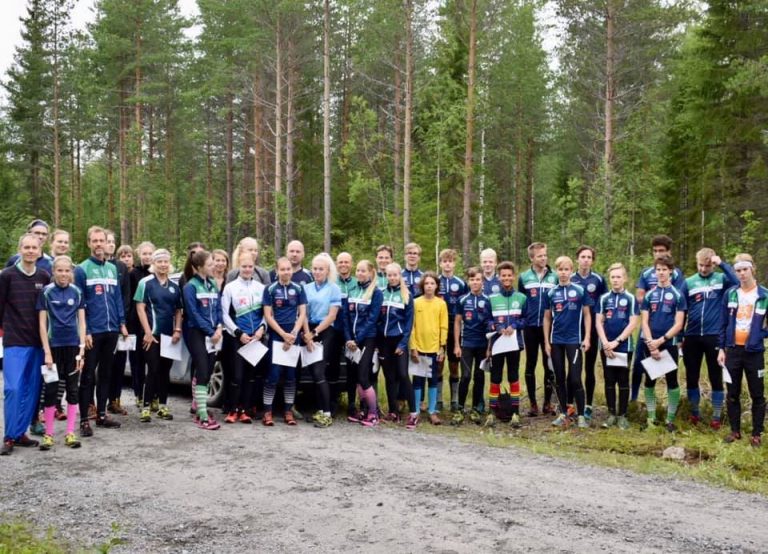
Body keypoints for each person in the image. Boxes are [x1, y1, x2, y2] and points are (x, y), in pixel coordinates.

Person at [75, 226, 128, 436]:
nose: (99, 244)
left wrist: (121, 322)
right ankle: (83, 420)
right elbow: (80, 303)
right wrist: (85, 330)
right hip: (92, 331)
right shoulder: (82, 269)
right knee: (88, 376)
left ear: (107, 243)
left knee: (106, 374)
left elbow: (117, 298)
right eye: (95, 241)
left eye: (102, 240)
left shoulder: (113, 269)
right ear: (89, 243)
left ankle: (102, 415)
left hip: (111, 329)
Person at [0, 233, 50, 455]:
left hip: (38, 343)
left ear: (39, 251)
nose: (30, 251)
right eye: (26, 247)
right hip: (14, 342)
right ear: (20, 249)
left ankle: (20, 433)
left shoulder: (44, 276)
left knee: (31, 390)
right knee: (13, 388)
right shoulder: (7, 276)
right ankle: (9, 436)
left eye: (34, 247)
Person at [680, 248, 737, 429]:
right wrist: (680, 335)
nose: (703, 269)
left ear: (713, 264)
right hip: (692, 335)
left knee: (715, 376)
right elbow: (681, 311)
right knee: (692, 375)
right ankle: (694, 413)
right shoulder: (689, 282)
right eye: (700, 265)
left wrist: (722, 264)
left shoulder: (722, 279)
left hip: (714, 335)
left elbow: (737, 282)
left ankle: (716, 416)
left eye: (707, 266)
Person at [718, 253, 767, 447]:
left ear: (752, 269)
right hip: (733, 350)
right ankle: (735, 431)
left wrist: (760, 335)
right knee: (732, 393)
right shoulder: (730, 294)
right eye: (738, 270)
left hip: (754, 352)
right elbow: (723, 324)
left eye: (745, 269)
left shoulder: (764, 295)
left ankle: (756, 433)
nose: (742, 273)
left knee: (757, 393)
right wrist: (721, 349)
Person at [37, 255, 85, 449]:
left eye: (67, 270)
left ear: (71, 272)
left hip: (73, 348)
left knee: (73, 390)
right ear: (54, 271)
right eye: (60, 270)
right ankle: (48, 434)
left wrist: (82, 350)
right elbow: (42, 324)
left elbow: (82, 322)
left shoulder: (77, 291)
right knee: (51, 390)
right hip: (54, 347)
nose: (63, 274)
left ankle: (70, 433)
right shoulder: (46, 292)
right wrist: (47, 351)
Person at [631, 235, 686, 401]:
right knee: (639, 364)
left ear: (669, 252)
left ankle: (671, 408)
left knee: (669, 371)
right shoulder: (646, 272)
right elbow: (640, 296)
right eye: (655, 251)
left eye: (661, 250)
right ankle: (634, 399)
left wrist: (679, 335)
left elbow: (678, 301)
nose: (657, 254)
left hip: (669, 329)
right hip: (648, 326)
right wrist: (653, 297)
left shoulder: (676, 274)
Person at [543, 256, 593, 429]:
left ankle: (581, 415)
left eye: (566, 269)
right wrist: (546, 342)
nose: (563, 273)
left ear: (571, 271)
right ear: (556, 271)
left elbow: (587, 315)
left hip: (574, 340)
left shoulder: (580, 290)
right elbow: (547, 318)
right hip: (556, 340)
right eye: (560, 269)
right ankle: (563, 414)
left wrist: (587, 337)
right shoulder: (551, 292)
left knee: (575, 379)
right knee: (559, 378)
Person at [135, 249, 182, 423]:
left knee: (165, 371)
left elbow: (178, 310)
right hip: (152, 335)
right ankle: (146, 407)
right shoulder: (145, 283)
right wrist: (147, 332)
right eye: (159, 261)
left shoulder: (174, 287)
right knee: (153, 369)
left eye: (165, 261)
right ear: (154, 263)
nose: (163, 265)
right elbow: (140, 308)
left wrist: (177, 330)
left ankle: (163, 406)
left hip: (169, 336)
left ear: (169, 263)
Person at [639, 255, 686, 431]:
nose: (661, 273)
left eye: (664, 270)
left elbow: (679, 324)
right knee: (650, 381)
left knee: (671, 381)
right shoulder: (649, 295)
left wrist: (661, 341)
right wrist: (651, 343)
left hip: (669, 343)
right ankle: (651, 418)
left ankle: (670, 419)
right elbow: (644, 321)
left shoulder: (678, 295)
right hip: (650, 343)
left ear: (670, 271)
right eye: (658, 270)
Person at [221, 252, 267, 425]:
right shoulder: (230, 287)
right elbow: (224, 314)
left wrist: (262, 329)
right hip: (237, 338)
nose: (247, 269)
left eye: (250, 266)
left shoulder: (261, 287)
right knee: (237, 376)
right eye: (244, 266)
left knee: (250, 376)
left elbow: (267, 313)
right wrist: (238, 332)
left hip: (256, 338)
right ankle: (233, 410)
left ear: (254, 267)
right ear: (238, 267)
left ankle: (245, 410)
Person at [263, 257, 307, 426]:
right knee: (273, 375)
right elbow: (268, 316)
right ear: (277, 271)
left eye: (288, 269)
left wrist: (293, 334)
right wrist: (283, 334)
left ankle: (288, 411)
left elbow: (302, 314)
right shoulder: (270, 289)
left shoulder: (299, 288)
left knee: (290, 376)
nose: (286, 272)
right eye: (282, 269)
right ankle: (268, 411)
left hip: (293, 336)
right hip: (276, 335)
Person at [183, 249, 223, 430]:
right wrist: (210, 332)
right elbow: (193, 314)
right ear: (199, 267)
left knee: (208, 372)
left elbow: (218, 308)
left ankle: (198, 407)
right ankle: (203, 416)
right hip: (197, 334)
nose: (214, 266)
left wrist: (219, 327)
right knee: (202, 372)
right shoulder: (190, 287)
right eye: (210, 264)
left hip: (214, 334)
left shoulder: (212, 283)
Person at [595, 263, 639, 430]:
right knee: (609, 379)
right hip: (606, 347)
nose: (615, 280)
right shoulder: (604, 298)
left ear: (624, 279)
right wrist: (606, 343)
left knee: (623, 380)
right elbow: (599, 322)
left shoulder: (631, 298)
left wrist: (617, 342)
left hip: (623, 346)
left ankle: (623, 415)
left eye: (618, 277)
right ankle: (611, 414)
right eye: (613, 277)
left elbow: (633, 323)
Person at [301, 254, 342, 428]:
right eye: (315, 269)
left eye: (321, 269)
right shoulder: (306, 288)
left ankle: (327, 413)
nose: (317, 272)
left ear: (328, 271)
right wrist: (307, 334)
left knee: (319, 372)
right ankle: (319, 410)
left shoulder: (334, 288)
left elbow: (332, 316)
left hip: (326, 331)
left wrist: (314, 333)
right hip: (308, 329)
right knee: (313, 372)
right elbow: (303, 313)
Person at [518, 242, 558, 416]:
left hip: (549, 328)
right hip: (530, 327)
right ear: (532, 258)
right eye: (539, 256)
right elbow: (521, 301)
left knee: (549, 365)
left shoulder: (554, 277)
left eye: (545, 255)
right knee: (530, 364)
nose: (543, 258)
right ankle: (533, 404)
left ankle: (547, 403)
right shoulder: (524, 277)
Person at [485, 262, 527, 428]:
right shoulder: (492, 298)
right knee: (495, 377)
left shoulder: (521, 298)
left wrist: (514, 326)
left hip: (514, 344)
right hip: (497, 343)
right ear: (499, 277)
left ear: (514, 276)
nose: (507, 278)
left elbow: (526, 319)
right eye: (503, 275)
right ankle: (491, 412)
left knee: (513, 376)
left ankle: (515, 413)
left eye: (509, 275)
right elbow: (487, 320)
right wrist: (497, 327)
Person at [343, 260, 384, 427]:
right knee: (355, 377)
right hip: (352, 340)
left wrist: (357, 340)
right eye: (358, 271)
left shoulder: (376, 292)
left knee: (363, 376)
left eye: (363, 271)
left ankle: (373, 414)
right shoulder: (352, 290)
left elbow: (372, 319)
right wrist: (348, 338)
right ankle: (363, 411)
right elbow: (346, 317)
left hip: (367, 338)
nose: (360, 273)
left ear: (370, 273)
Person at [377, 262, 415, 426]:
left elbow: (409, 323)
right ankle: (393, 412)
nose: (392, 278)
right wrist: (377, 342)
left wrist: (403, 343)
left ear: (400, 276)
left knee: (403, 375)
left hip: (399, 340)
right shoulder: (381, 294)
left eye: (395, 275)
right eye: (389, 275)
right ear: (386, 276)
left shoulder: (407, 295)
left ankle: (413, 413)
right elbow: (377, 319)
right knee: (389, 377)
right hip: (384, 341)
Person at [570, 245, 606, 421]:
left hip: (592, 329)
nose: (585, 260)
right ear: (577, 259)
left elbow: (605, 303)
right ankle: (570, 404)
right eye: (583, 257)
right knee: (573, 368)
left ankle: (588, 405)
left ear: (592, 260)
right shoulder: (570, 277)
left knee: (589, 368)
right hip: (573, 329)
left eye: (589, 257)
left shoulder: (598, 279)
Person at [453, 267, 492, 425]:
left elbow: (491, 326)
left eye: (478, 279)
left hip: (483, 344)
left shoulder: (488, 300)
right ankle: (460, 409)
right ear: (468, 282)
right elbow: (457, 322)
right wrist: (457, 345)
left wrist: (489, 348)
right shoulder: (462, 300)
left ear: (483, 282)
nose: (475, 282)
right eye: (472, 279)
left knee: (479, 376)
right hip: (466, 344)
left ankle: (476, 409)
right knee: (466, 376)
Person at [409, 272, 448, 426]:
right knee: (418, 381)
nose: (429, 286)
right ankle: (416, 411)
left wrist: (442, 347)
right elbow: (411, 327)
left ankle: (432, 411)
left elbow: (444, 326)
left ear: (436, 286)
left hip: (434, 349)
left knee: (433, 381)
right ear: (422, 286)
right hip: (419, 348)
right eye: (426, 283)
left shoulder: (441, 304)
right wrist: (413, 347)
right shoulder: (415, 302)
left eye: (432, 283)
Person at [104, 230, 131, 416]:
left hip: (119, 324)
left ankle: (114, 400)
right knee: (102, 366)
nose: (111, 244)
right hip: (101, 324)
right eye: (108, 241)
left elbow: (125, 296)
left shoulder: (121, 267)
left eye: (113, 241)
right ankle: (94, 403)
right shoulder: (91, 266)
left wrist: (122, 321)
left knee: (119, 364)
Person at [437, 248, 468, 412]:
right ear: (440, 263)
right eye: (445, 261)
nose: (447, 264)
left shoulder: (461, 283)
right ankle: (439, 399)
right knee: (439, 363)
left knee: (454, 364)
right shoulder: (435, 281)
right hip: (438, 327)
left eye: (450, 261)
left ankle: (454, 399)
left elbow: (466, 304)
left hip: (455, 327)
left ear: (454, 263)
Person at [126, 242, 155, 408]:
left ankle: (152, 394)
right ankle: (138, 393)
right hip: (135, 323)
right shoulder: (133, 274)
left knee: (152, 360)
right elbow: (129, 298)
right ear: (139, 254)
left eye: (150, 253)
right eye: (144, 253)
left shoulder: (157, 273)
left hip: (153, 322)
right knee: (137, 361)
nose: (147, 256)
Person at [335, 252, 357, 415]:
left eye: (346, 262)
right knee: (334, 365)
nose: (343, 264)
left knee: (352, 367)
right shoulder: (332, 282)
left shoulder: (357, 283)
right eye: (340, 262)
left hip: (352, 331)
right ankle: (333, 401)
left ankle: (352, 403)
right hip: (335, 329)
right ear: (336, 264)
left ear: (351, 264)